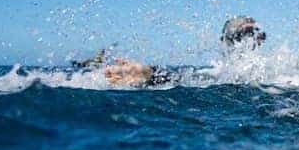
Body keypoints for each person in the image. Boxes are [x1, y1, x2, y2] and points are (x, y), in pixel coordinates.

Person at [102, 16, 266, 87]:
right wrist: (149, 74)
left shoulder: (278, 73)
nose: (249, 41)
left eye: (255, 35)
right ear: (226, 41)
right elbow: (183, 77)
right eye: (242, 35)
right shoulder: (217, 73)